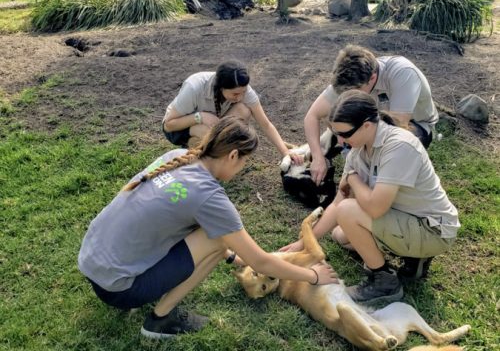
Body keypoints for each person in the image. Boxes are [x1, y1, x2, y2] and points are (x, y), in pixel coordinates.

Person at [78, 117, 337, 339]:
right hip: (119, 289)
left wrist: (234, 258)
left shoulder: (177, 157)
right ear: (233, 156)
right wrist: (313, 277)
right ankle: (160, 319)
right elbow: (261, 262)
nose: (242, 168)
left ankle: (146, 289)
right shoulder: (209, 197)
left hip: (92, 265)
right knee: (218, 239)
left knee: (214, 234)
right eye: (244, 162)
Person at [281, 90, 459, 303]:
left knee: (349, 212)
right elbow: (336, 204)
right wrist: (303, 243)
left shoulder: (399, 146)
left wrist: (354, 179)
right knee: (341, 235)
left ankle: (385, 283)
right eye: (335, 132)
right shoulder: (357, 149)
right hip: (406, 217)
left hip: (433, 230)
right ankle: (414, 256)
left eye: (344, 133)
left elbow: (374, 208)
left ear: (367, 125)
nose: (339, 140)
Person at [305, 45, 439, 187]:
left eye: (353, 91)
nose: (347, 96)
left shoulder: (402, 73)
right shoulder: (347, 80)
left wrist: (350, 138)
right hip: (367, 122)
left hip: (413, 126)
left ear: (373, 78)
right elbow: (312, 116)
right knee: (321, 150)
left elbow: (397, 128)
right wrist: (318, 158)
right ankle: (337, 149)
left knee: (380, 170)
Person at [163, 59, 301, 164]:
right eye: (235, 94)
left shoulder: (242, 90)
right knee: (207, 131)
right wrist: (200, 116)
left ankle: (214, 149)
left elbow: (265, 124)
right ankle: (198, 151)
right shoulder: (194, 87)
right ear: (221, 87)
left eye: (243, 92)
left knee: (243, 110)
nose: (240, 97)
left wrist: (284, 151)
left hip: (214, 123)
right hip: (180, 128)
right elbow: (168, 125)